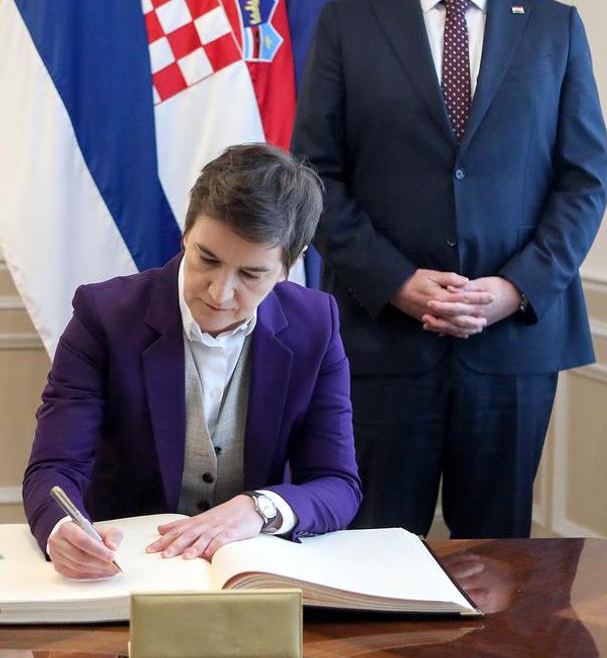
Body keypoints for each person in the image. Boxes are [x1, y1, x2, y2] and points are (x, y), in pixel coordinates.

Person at [291, 0, 607, 538]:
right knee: (369, 550)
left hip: (514, 345)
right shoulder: (347, 26)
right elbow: (315, 176)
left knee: (497, 563)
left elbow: (583, 181)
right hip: (379, 339)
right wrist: (396, 281)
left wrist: (515, 288)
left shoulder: (555, 29)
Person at [22, 143, 362, 579]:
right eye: (207, 259)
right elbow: (55, 466)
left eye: (252, 274)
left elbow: (338, 483)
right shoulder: (103, 316)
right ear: (187, 233)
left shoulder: (316, 324)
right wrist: (62, 528)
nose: (219, 293)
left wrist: (258, 508)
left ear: (288, 266)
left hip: (254, 573)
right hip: (125, 571)